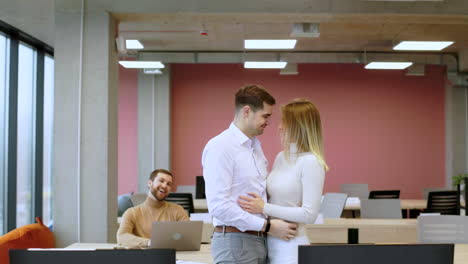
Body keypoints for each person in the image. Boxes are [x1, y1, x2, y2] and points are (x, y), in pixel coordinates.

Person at [202, 84, 298, 264]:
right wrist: (268, 226)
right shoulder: (221, 147)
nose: (268, 122)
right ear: (247, 111)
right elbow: (218, 206)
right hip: (236, 241)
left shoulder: (255, 148)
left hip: (258, 240)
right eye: (265, 116)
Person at [238, 99, 328, 264]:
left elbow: (309, 214)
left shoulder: (312, 162)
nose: (279, 127)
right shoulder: (281, 157)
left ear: (299, 125)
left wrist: (264, 207)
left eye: (285, 122)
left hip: (291, 248)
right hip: (269, 242)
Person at [116, 169, 189, 248]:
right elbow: (122, 237)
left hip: (173, 257)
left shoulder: (178, 210)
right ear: (150, 183)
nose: (165, 186)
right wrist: (149, 243)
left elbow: (189, 236)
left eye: (169, 184)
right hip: (144, 257)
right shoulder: (132, 213)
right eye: (161, 181)